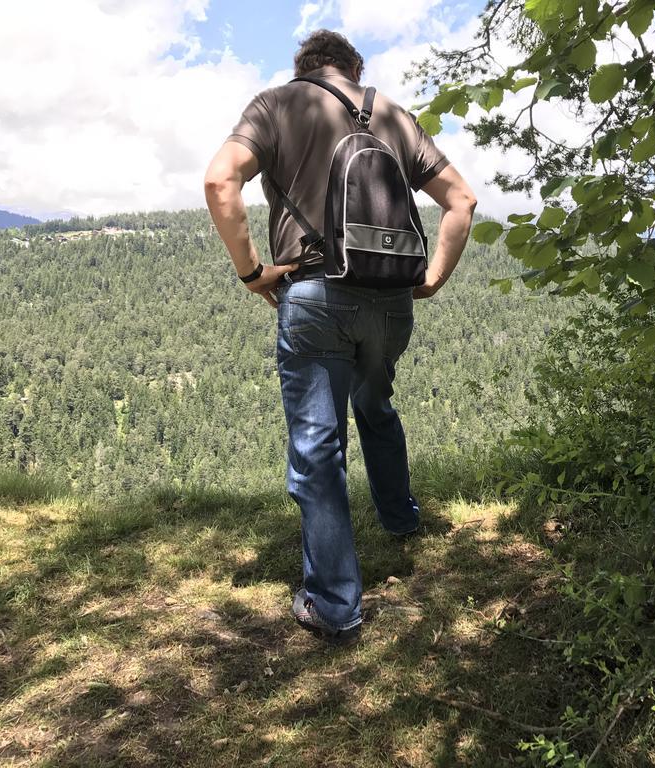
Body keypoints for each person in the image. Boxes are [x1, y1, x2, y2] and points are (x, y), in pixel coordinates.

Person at [203, 29, 477, 645]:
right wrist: (430, 278)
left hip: (316, 295)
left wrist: (251, 273)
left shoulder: (278, 105)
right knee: (375, 404)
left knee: (317, 447)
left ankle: (334, 605)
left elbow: (221, 182)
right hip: (391, 301)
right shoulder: (394, 115)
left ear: (306, 69)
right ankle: (401, 520)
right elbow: (461, 199)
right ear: (355, 69)